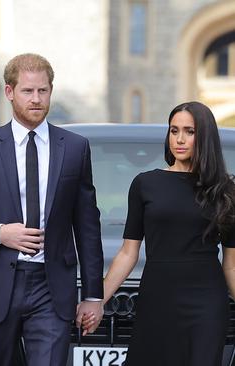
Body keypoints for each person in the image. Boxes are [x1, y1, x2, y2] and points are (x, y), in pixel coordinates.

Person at [0, 53, 104, 366]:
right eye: (28, 91)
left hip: (51, 287)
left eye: (43, 91)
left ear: (51, 92)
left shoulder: (74, 148)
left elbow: (87, 225)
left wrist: (93, 296)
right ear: (9, 92)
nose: (36, 99)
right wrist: (0, 233)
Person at [90, 101, 235, 365]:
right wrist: (97, 299)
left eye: (189, 132)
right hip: (157, 299)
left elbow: (231, 266)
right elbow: (127, 253)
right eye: (174, 130)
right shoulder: (146, 184)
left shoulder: (225, 190)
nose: (179, 139)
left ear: (205, 136)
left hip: (206, 304)